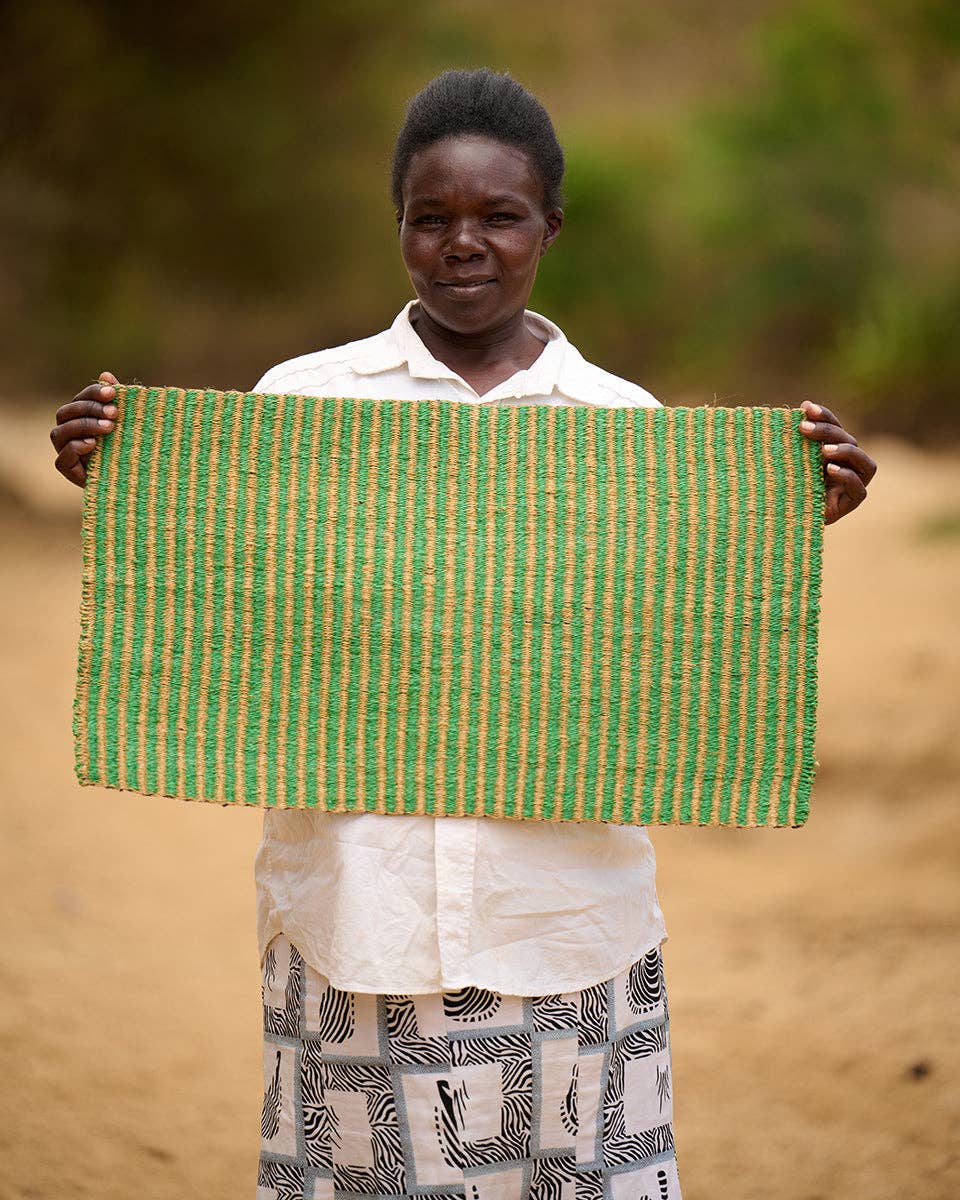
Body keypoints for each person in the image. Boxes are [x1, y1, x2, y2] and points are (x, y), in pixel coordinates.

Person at [51, 68, 876, 1200]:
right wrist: (133, 477)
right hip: (356, 918)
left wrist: (789, 508)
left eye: (499, 216)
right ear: (397, 224)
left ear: (550, 225)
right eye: (431, 218)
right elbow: (240, 613)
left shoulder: (624, 428)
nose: (463, 244)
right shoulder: (303, 405)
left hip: (567, 925)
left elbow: (677, 640)